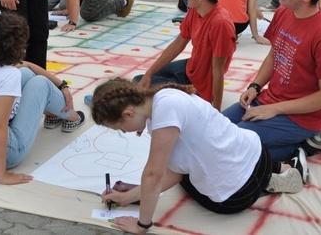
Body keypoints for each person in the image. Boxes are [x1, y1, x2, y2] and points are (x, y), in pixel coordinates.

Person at [93, 79, 305, 232]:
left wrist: (141, 225)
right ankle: (279, 169)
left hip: (236, 197)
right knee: (184, 164)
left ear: (127, 114)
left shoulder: (163, 115)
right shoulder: (163, 94)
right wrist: (128, 197)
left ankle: (265, 183)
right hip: (259, 154)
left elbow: (157, 176)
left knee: (183, 176)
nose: (126, 133)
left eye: (121, 128)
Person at [222, 0, 321, 161]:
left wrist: (274, 109)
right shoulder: (283, 12)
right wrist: (255, 86)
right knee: (214, 130)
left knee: (235, 145)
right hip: (271, 100)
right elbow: (275, 54)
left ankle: (299, 147)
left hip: (301, 117)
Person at [0, 13, 85, 184]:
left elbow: (27, 65)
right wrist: (2, 176)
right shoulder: (8, 76)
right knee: (40, 84)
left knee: (26, 73)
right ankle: (72, 117)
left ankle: (54, 115)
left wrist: (62, 85)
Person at [133, 0, 235, 111]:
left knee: (141, 86)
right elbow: (178, 44)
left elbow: (217, 69)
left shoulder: (220, 23)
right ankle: (176, 89)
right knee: (142, 79)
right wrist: (149, 73)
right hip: (189, 67)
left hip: (200, 85)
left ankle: (188, 94)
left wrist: (215, 110)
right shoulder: (195, 9)